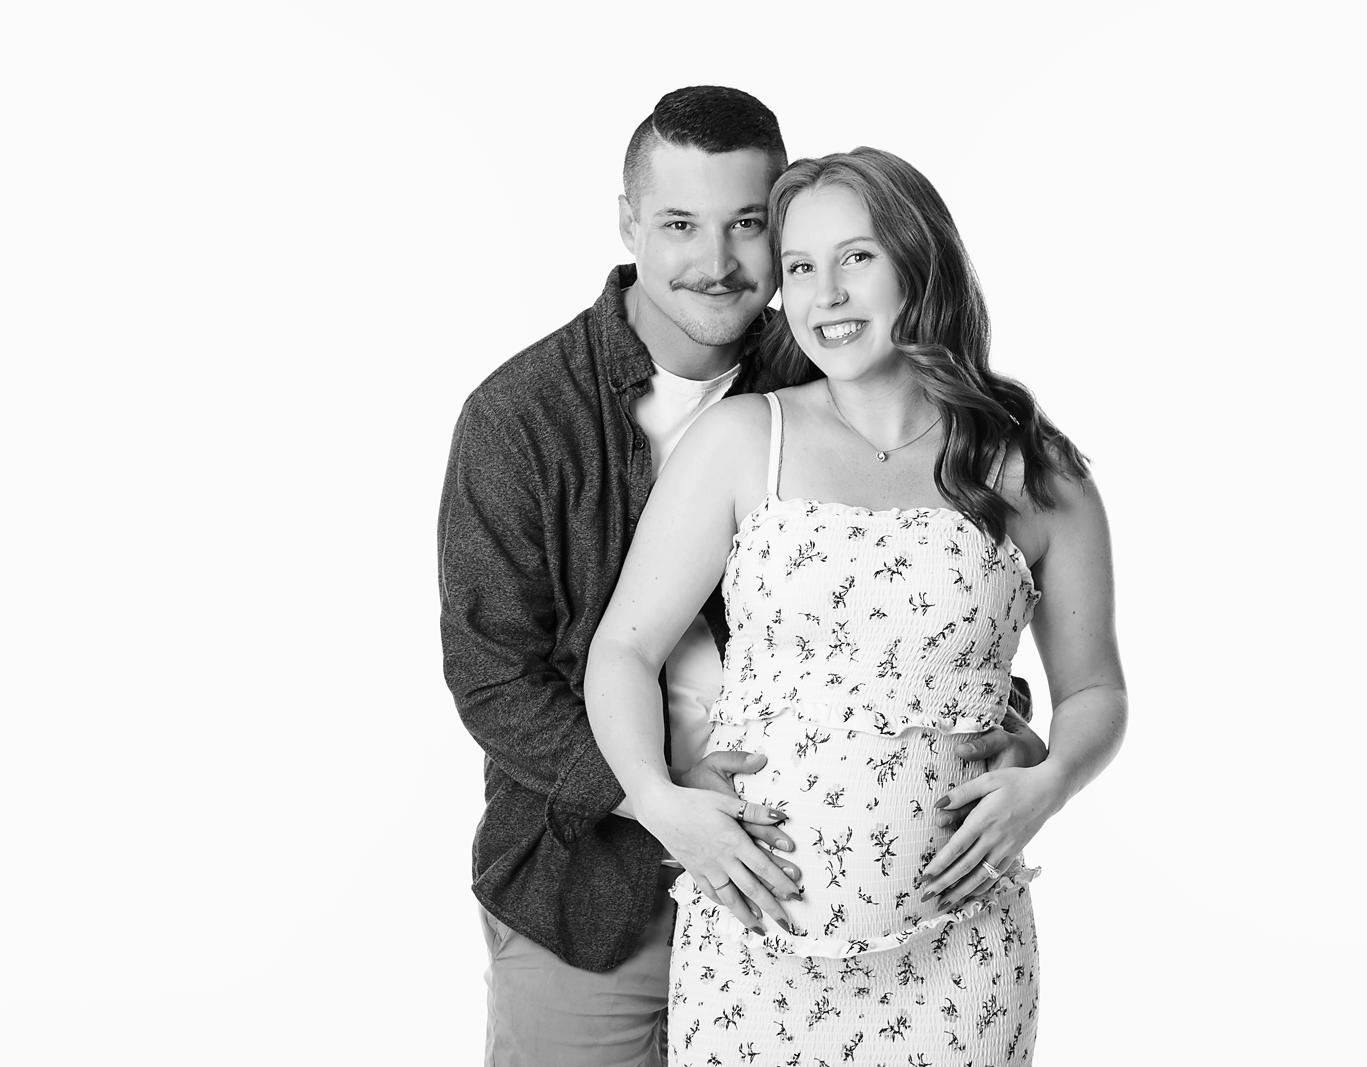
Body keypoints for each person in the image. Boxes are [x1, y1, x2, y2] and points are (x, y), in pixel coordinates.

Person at [440, 87, 1047, 1067]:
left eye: (749, 225)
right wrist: (660, 797)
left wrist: (999, 733)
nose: (717, 261)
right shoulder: (522, 416)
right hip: (593, 890)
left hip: (830, 899)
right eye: (680, 224)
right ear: (629, 222)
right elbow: (493, 676)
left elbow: (920, 591)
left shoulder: (834, 359)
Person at [584, 147, 1126, 1064]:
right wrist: (658, 799)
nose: (825, 294)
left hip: (961, 954)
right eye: (799, 267)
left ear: (921, 261)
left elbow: (1095, 689)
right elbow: (624, 651)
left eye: (857, 258)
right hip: (755, 946)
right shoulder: (743, 439)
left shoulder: (1035, 471)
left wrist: (1049, 782)